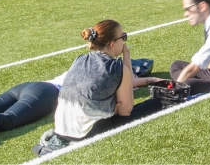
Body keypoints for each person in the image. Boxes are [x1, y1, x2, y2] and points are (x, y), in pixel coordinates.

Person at [36, 20, 165, 154]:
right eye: (123, 37)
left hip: (62, 128)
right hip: (84, 133)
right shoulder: (116, 67)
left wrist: (151, 79)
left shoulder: (80, 59)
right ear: (112, 44)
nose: (125, 41)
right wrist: (126, 61)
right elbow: (126, 111)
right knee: (155, 104)